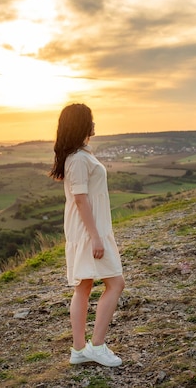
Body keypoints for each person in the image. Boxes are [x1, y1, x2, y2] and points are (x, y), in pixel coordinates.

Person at [49, 103, 125, 366]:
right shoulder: (79, 159)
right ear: (81, 124)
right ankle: (97, 346)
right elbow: (80, 199)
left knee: (84, 286)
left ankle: (80, 350)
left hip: (88, 230)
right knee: (115, 284)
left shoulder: (78, 155)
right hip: (88, 231)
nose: (94, 124)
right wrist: (95, 237)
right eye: (90, 120)